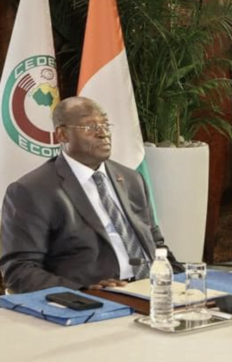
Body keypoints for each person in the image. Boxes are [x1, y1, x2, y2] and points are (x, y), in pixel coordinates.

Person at [0, 96, 180, 293]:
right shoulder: (32, 191)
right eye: (90, 127)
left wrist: (183, 281)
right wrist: (83, 291)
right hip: (96, 298)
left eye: (105, 125)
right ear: (62, 135)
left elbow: (156, 244)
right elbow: (19, 270)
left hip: (154, 289)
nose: (103, 133)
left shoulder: (131, 179)